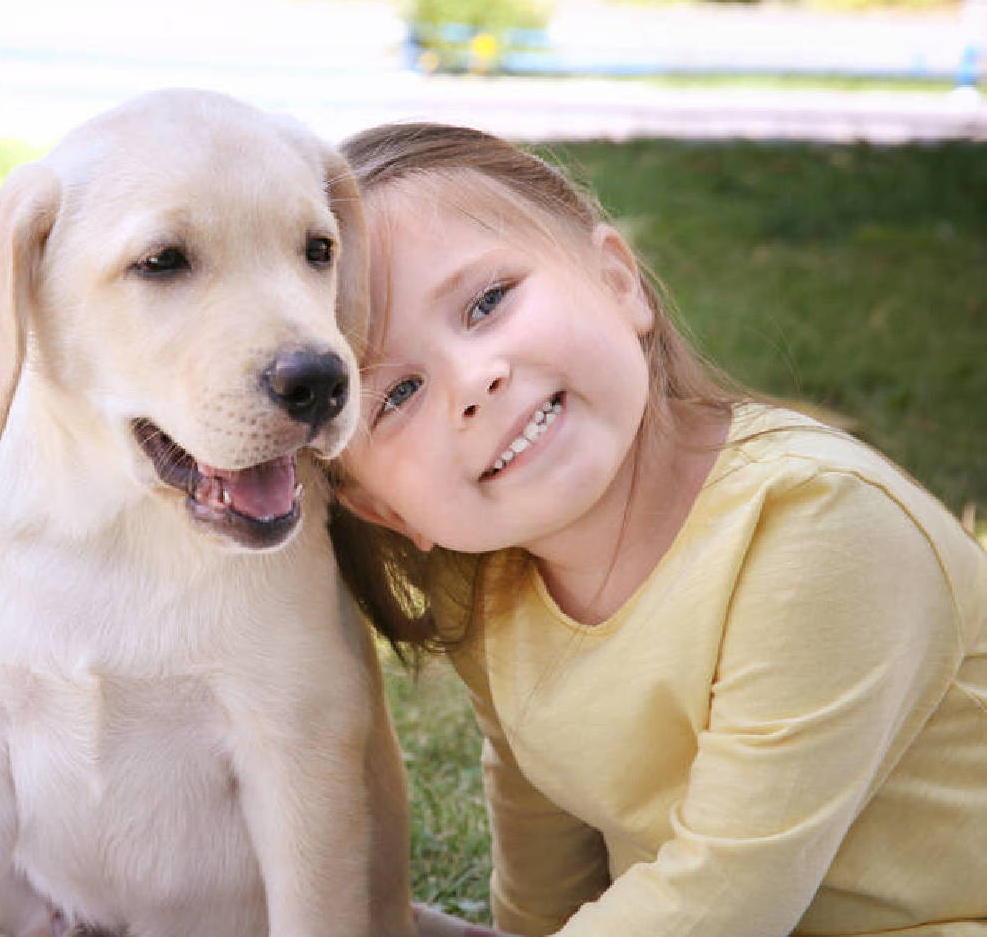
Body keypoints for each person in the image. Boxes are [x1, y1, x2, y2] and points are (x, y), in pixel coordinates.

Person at [327, 122, 987, 937]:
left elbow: (723, 898)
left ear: (617, 281)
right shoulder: (491, 585)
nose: (474, 379)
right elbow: (541, 835)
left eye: (488, 301)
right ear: (386, 512)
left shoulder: (816, 528)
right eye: (395, 395)